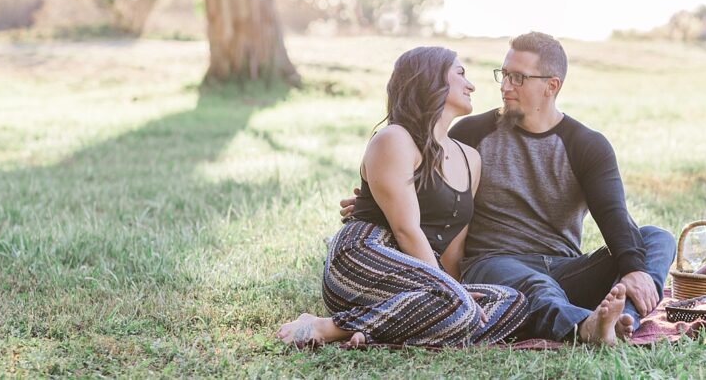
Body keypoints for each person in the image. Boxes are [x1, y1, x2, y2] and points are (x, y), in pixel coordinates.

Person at [343, 32, 676, 345]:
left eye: (518, 77)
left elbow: (614, 216)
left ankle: (622, 322)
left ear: (551, 86)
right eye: (503, 74)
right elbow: (429, 196)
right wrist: (373, 202)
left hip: (564, 266)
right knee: (537, 286)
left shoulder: (586, 145)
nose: (505, 86)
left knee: (656, 239)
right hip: (492, 263)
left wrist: (633, 270)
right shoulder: (470, 134)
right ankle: (583, 326)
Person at [276, 46, 527, 347]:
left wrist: (454, 290)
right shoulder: (394, 139)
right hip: (364, 256)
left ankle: (374, 331)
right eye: (460, 74)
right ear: (431, 80)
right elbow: (405, 229)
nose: (471, 85)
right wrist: (450, 292)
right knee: (458, 304)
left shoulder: (470, 159)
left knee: (512, 300)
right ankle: (329, 327)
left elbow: (452, 249)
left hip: (420, 277)